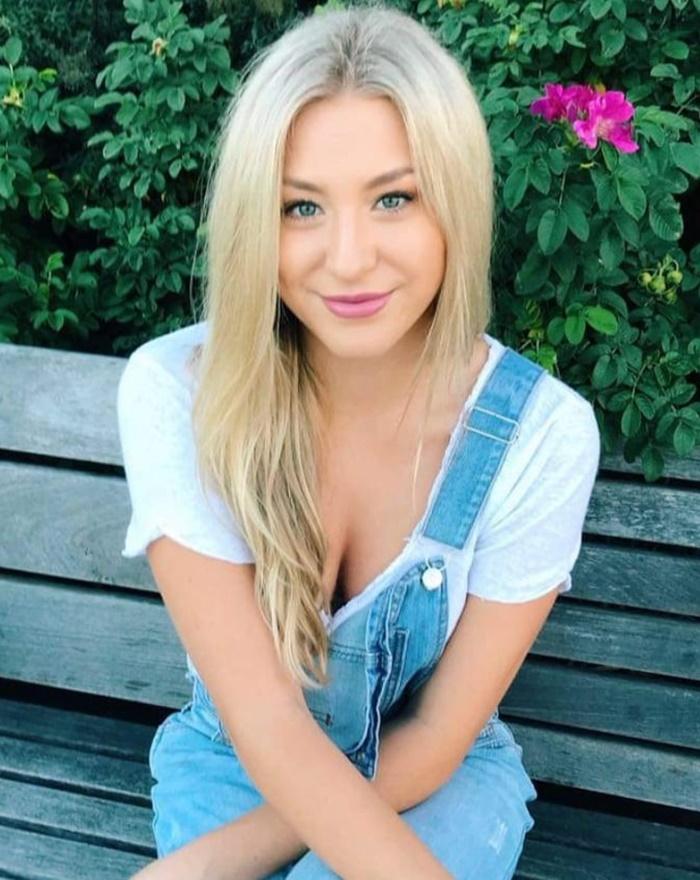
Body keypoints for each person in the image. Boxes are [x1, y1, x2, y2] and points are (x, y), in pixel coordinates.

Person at [118, 3, 601, 878]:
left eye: (393, 198)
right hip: (232, 758)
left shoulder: (542, 435)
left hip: (434, 775)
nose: (347, 259)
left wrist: (200, 866)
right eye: (301, 206)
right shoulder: (179, 394)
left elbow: (438, 734)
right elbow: (265, 722)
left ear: (454, 202)